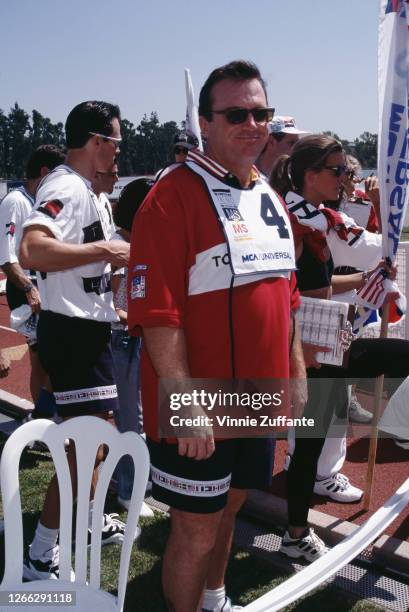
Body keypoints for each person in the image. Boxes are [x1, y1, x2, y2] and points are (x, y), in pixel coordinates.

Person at [128, 60, 305, 612]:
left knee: (232, 509)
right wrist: (185, 404)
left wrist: (296, 375)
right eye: (236, 114)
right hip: (198, 402)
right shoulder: (172, 195)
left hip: (256, 397)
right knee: (195, 531)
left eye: (262, 112)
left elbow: (287, 301)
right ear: (205, 122)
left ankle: (215, 598)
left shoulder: (269, 196)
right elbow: (158, 313)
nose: (253, 124)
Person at [270, 134, 409, 559]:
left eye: (346, 170)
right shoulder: (293, 222)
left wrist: (372, 273)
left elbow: (327, 282)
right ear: (310, 174)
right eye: (338, 170)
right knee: (306, 447)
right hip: (310, 351)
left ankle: (294, 537)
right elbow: (290, 294)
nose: (346, 177)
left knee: (308, 449)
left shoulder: (317, 217)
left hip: (324, 346)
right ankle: (294, 536)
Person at [19, 100, 131, 580]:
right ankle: (41, 552)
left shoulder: (88, 191)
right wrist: (106, 250)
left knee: (91, 444)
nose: (118, 152)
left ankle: (82, 522)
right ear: (96, 141)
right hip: (74, 332)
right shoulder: (66, 185)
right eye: (116, 142)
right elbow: (32, 248)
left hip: (87, 328)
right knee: (84, 447)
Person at [0, 145, 65, 406]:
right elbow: (6, 256)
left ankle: (46, 418)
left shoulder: (42, 202)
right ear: (45, 172)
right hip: (28, 289)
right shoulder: (16, 201)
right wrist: (28, 289)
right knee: (42, 360)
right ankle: (41, 422)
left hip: (46, 287)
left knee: (53, 360)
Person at [110, 178, 154, 518]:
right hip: (123, 338)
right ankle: (128, 490)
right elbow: (108, 301)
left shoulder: (137, 242)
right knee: (131, 418)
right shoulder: (117, 246)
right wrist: (128, 315)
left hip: (137, 338)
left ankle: (137, 479)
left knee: (139, 415)